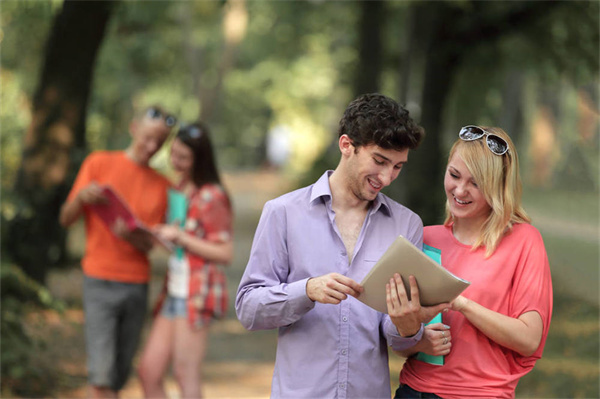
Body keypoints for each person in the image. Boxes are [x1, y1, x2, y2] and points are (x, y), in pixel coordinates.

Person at [235, 93, 449, 399]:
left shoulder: (406, 224)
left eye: (398, 167)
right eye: (379, 161)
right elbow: (248, 309)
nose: (387, 178)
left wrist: (408, 324)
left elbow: (398, 341)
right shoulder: (282, 213)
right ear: (347, 145)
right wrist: (306, 290)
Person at [393, 126, 553, 399]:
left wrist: (462, 304)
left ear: (497, 188)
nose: (460, 189)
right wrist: (416, 338)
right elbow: (400, 343)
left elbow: (529, 340)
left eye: (476, 183)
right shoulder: (424, 238)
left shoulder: (524, 241)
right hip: (414, 391)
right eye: (454, 175)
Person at [59, 105, 176, 398]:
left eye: (159, 142)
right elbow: (65, 218)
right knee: (101, 376)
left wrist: (132, 237)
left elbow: (154, 244)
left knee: (118, 375)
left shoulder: (163, 186)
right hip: (98, 278)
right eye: (147, 138)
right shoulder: (99, 163)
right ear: (133, 127)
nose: (151, 147)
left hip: (136, 284)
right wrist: (82, 198)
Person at [137, 122, 233, 399]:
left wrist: (180, 237)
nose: (174, 161)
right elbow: (180, 249)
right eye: (173, 153)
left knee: (184, 373)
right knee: (148, 372)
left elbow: (224, 253)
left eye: (183, 157)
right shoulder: (179, 188)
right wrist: (157, 236)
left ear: (198, 160)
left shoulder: (212, 196)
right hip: (173, 291)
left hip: (196, 294)